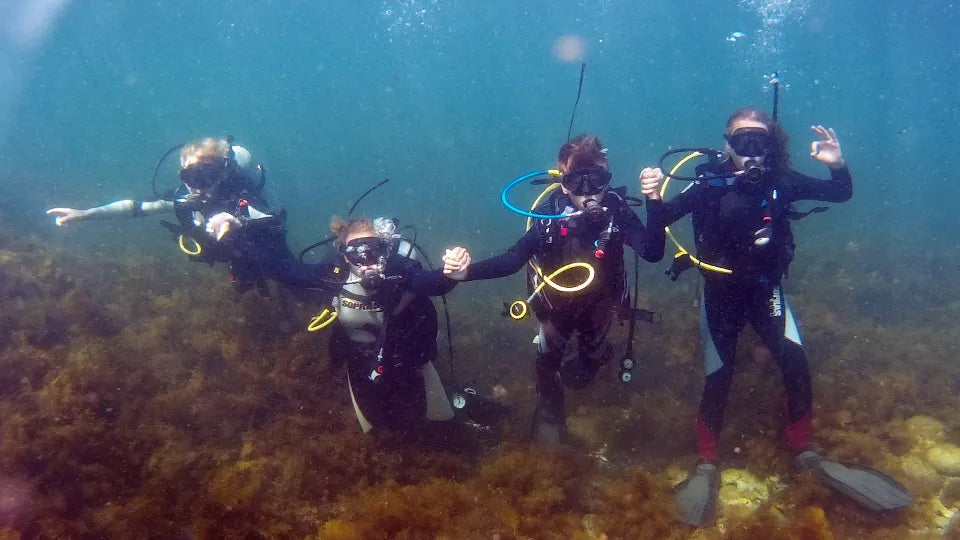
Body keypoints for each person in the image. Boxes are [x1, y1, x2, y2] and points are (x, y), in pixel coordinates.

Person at [661, 108, 910, 526]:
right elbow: (663, 219)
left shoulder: (781, 179)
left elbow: (840, 193)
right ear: (727, 144)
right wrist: (652, 196)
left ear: (771, 146)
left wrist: (837, 165)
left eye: (760, 142)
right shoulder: (707, 181)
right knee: (719, 374)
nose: (751, 151)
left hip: (765, 290)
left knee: (795, 363)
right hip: (720, 292)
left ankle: (803, 450)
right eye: (742, 141)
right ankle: (706, 460)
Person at [443, 134, 666, 446]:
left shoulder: (618, 213)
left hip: (601, 303)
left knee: (583, 372)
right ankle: (550, 407)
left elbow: (653, 251)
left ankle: (593, 357)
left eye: (597, 180)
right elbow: (512, 260)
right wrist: (466, 273)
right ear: (563, 184)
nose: (588, 192)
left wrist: (654, 199)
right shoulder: (548, 218)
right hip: (556, 306)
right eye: (577, 182)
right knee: (547, 364)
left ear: (608, 179)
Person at [46, 137, 297, 292]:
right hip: (235, 259)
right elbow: (137, 207)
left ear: (221, 173)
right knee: (247, 284)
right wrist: (87, 213)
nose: (200, 187)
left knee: (292, 278)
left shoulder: (239, 191)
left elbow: (268, 217)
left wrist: (234, 220)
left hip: (268, 246)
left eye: (207, 176)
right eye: (191, 177)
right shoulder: (185, 197)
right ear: (182, 175)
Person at [302, 215, 473, 434]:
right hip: (359, 358)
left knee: (438, 425)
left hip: (406, 354)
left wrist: (451, 274)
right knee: (374, 428)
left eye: (373, 248)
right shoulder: (335, 274)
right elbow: (289, 272)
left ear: (385, 248)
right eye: (355, 252)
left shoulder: (399, 269)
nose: (365, 258)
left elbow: (430, 283)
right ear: (344, 255)